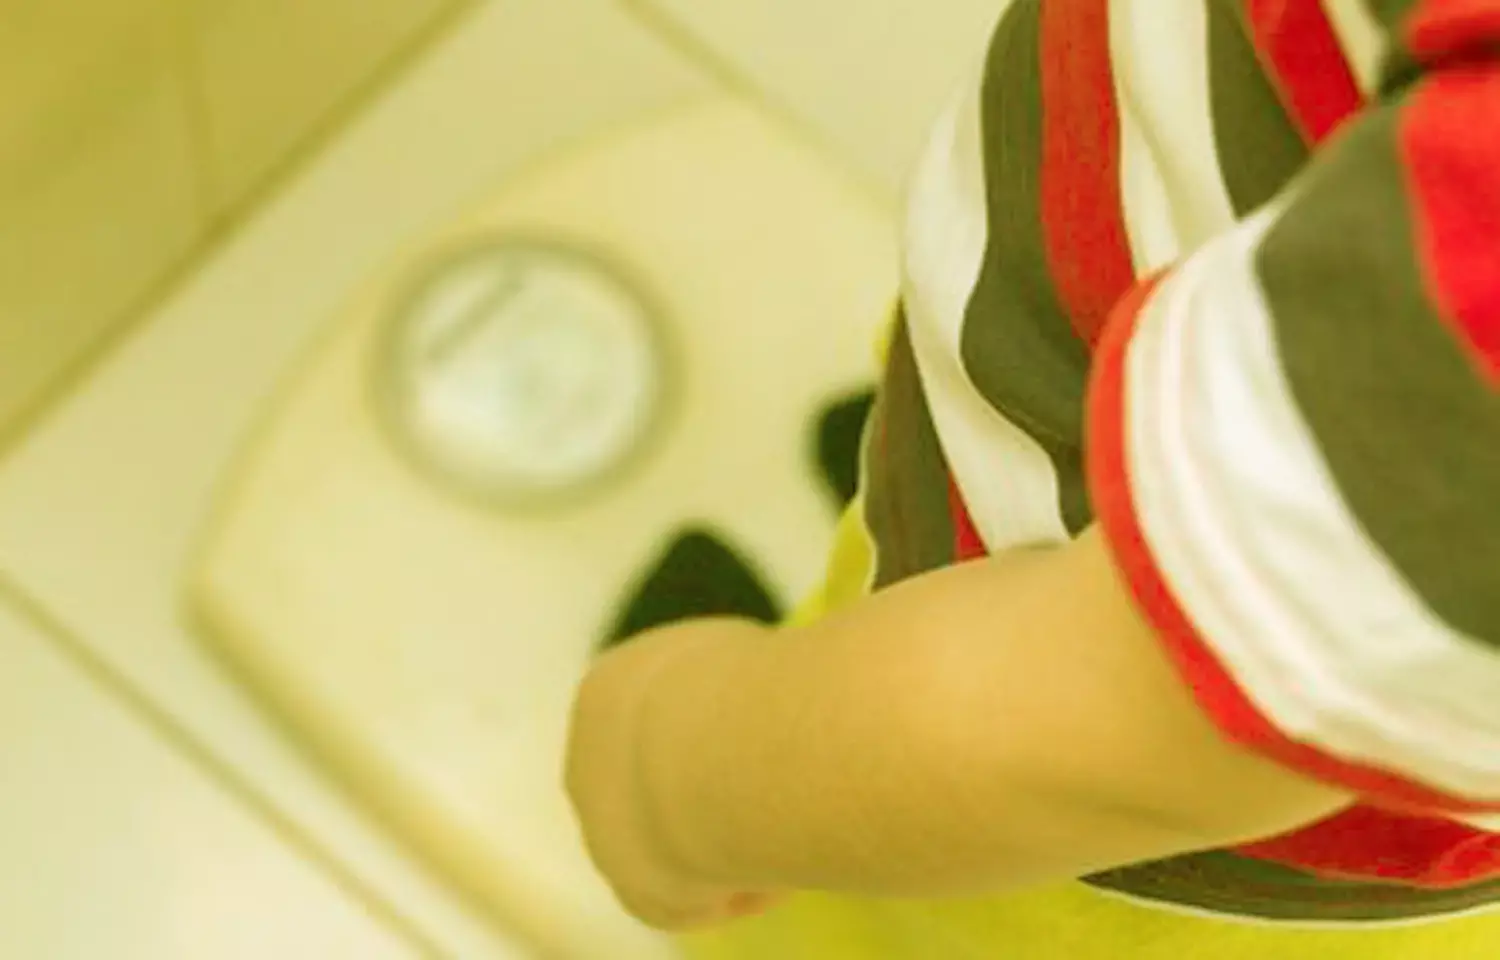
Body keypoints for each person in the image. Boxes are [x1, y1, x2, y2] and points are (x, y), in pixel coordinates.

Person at [565, 0, 1500, 956]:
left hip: (1132, 832)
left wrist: (673, 781)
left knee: (881, 912)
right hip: (1183, 425)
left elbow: (1129, 730)